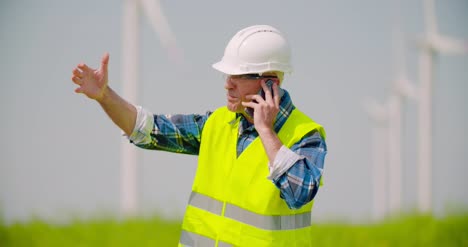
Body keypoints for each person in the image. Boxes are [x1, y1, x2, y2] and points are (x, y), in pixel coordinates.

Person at [71, 24, 327, 247]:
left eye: (238, 76)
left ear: (270, 82)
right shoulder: (216, 123)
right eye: (228, 75)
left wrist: (266, 131)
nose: (228, 83)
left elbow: (299, 193)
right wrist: (105, 96)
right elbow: (148, 130)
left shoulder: (305, 135)